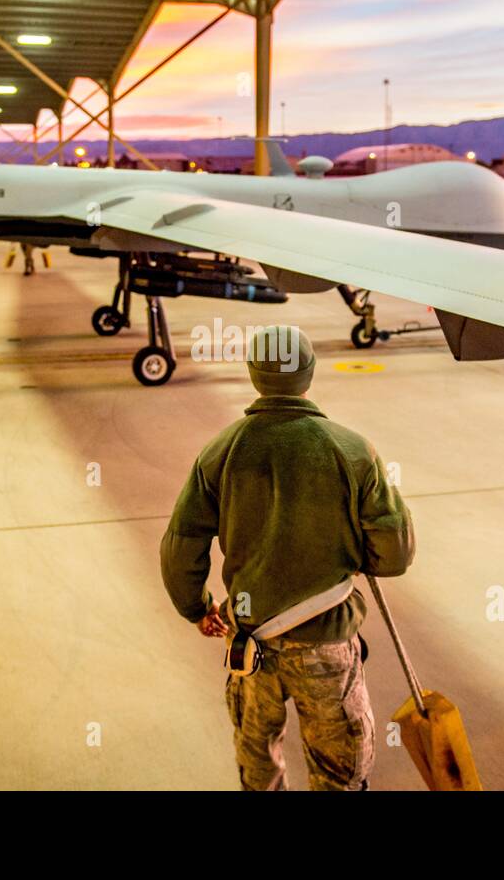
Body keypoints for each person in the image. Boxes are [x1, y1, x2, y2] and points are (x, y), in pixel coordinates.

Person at [160, 325, 415, 790]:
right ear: (309, 375)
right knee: (340, 767)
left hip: (249, 645)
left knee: (258, 760)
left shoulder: (221, 451)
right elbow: (394, 553)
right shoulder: (353, 450)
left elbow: (182, 543)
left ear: (254, 374)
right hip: (326, 647)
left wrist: (196, 607)